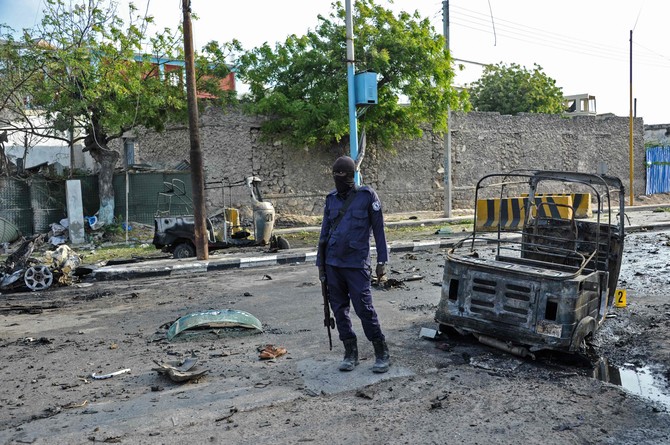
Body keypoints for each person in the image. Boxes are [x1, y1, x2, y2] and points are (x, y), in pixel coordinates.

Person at [316, 155, 390, 373]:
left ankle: (381, 352)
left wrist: (382, 261)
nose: (340, 179)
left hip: (357, 264)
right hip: (332, 264)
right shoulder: (331, 200)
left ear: (352, 176)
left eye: (344, 175)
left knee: (364, 309)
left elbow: (379, 231)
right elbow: (324, 233)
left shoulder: (367, 196)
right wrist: (321, 264)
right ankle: (350, 352)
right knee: (339, 310)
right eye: (336, 175)